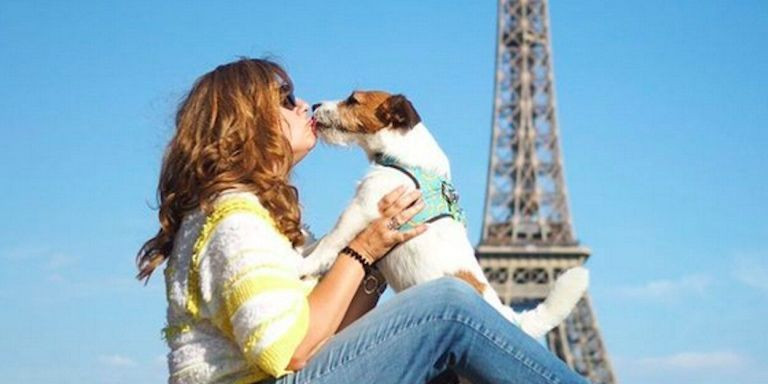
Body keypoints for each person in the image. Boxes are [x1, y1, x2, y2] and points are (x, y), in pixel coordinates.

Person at [137, 57, 588, 384]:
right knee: (449, 303)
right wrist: (362, 249)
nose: (305, 105)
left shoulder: (253, 216)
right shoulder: (233, 222)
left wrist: (378, 254)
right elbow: (288, 351)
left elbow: (326, 332)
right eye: (287, 100)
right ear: (247, 123)